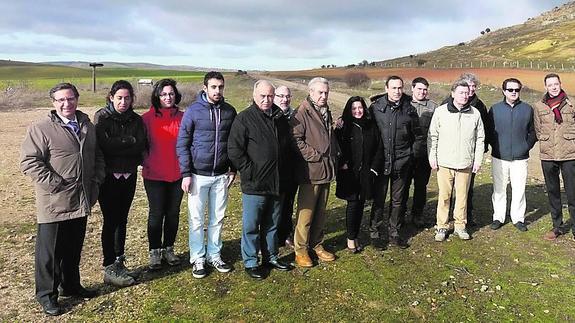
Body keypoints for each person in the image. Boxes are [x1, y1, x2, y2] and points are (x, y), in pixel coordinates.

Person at [21, 83, 105, 316]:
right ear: (53, 103)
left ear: (77, 99)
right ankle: (47, 295)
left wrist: (97, 179)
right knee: (50, 252)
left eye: (70, 99)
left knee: (73, 247)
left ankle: (70, 285)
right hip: (54, 202)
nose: (66, 104)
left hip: (81, 198)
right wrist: (56, 184)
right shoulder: (41, 129)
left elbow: (97, 155)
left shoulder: (87, 125)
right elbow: (29, 162)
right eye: (60, 100)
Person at [228, 80, 293, 280]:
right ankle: (250, 261)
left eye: (270, 96)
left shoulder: (280, 118)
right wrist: (250, 172)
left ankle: (271, 256)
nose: (266, 100)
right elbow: (234, 150)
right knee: (251, 226)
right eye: (262, 96)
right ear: (255, 95)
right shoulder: (244, 119)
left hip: (277, 182)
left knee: (272, 224)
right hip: (255, 184)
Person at [176, 71, 237, 279]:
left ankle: (214, 254)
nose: (217, 90)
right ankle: (198, 257)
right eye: (213, 87)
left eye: (220, 87)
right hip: (197, 175)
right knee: (196, 219)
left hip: (221, 175)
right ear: (205, 88)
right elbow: (182, 143)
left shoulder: (230, 111)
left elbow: (234, 143)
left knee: (217, 218)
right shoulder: (193, 111)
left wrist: (233, 168)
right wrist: (186, 173)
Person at [94, 80, 147, 287]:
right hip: (108, 177)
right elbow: (104, 145)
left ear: (132, 99)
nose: (123, 102)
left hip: (129, 175)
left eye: (127, 98)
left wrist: (122, 143)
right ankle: (109, 265)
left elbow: (140, 145)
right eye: (119, 98)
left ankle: (119, 260)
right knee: (110, 220)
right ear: (111, 97)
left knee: (123, 219)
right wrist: (128, 141)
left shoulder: (136, 119)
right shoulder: (102, 117)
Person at [369, 75, 422, 249]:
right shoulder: (375, 108)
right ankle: (375, 233)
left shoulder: (409, 110)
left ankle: (394, 233)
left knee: (398, 200)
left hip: (402, 162)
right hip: (381, 162)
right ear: (386, 89)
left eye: (400, 88)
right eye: (393, 88)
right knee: (379, 199)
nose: (397, 91)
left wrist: (411, 156)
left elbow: (418, 136)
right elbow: (367, 131)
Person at [429, 80, 484, 242]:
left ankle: (460, 226)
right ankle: (442, 226)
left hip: (465, 163)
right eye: (461, 92)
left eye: (466, 93)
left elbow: (480, 138)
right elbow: (433, 136)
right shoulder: (440, 112)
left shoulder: (475, 113)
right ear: (453, 94)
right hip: (445, 163)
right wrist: (433, 157)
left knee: (462, 197)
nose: (464, 96)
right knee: (444, 197)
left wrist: (478, 159)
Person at [291, 77, 338, 268]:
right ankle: (301, 251)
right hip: (311, 171)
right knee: (306, 214)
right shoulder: (302, 112)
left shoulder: (326, 112)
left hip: (326, 170)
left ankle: (317, 245)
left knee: (320, 213)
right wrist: (315, 156)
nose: (323, 96)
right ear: (310, 92)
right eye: (320, 92)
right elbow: (295, 139)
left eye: (326, 92)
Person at [142, 79, 185, 270]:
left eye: (171, 94)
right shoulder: (146, 119)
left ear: (175, 95)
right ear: (157, 96)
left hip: (178, 175)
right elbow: (141, 146)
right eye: (164, 94)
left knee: (173, 213)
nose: (168, 97)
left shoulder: (184, 117)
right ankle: (154, 251)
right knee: (156, 214)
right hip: (155, 175)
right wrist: (146, 162)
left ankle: (169, 248)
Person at [487, 78, 536, 232]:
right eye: (510, 90)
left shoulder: (528, 109)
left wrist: (525, 146)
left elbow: (533, 131)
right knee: (499, 188)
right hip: (499, 156)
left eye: (517, 90)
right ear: (504, 91)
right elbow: (489, 131)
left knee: (519, 189)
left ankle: (518, 218)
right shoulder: (494, 109)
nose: (514, 92)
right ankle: (498, 217)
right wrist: (496, 146)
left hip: (520, 158)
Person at [442, 73, 490, 226]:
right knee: (447, 189)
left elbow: (485, 130)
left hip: (469, 153)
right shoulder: (448, 102)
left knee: (466, 188)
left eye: (474, 86)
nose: (470, 90)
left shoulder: (479, 106)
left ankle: (466, 215)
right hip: (449, 153)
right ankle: (447, 215)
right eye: (468, 86)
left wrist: (480, 151)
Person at [335, 96, 381, 253]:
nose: (357, 111)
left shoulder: (371, 126)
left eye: (360, 107)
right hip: (349, 173)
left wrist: (374, 169)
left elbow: (379, 148)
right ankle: (350, 238)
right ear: (349, 110)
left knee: (361, 204)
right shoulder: (344, 126)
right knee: (353, 204)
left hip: (366, 173)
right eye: (354, 108)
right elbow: (336, 146)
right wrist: (342, 163)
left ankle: (354, 235)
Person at [533, 73, 575, 241]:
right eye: (550, 85)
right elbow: (537, 129)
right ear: (546, 87)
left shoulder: (572, 104)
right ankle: (557, 226)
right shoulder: (538, 106)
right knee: (553, 192)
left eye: (556, 84)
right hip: (548, 155)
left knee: (572, 193)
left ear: (560, 84)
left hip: (569, 154)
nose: (554, 87)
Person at [405, 77, 438, 227]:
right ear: (412, 89)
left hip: (424, 154)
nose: (422, 92)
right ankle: (400, 214)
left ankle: (417, 214)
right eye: (419, 89)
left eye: (425, 89)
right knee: (403, 186)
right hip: (405, 153)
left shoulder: (433, 107)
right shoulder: (404, 104)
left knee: (420, 186)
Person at [273, 85, 297, 248]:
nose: (284, 99)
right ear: (274, 97)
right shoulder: (270, 115)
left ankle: (286, 234)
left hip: (292, 168)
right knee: (274, 206)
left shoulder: (295, 116)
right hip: (274, 170)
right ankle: (271, 237)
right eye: (280, 96)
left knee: (288, 203)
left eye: (287, 96)